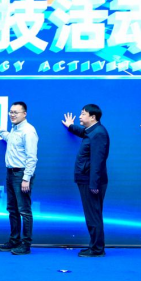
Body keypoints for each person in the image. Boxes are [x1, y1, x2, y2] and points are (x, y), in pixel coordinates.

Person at [0, 101, 38, 255]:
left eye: (16, 112)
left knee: (24, 211)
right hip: (11, 173)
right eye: (11, 112)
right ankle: (14, 240)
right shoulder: (15, 129)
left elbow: (32, 157)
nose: (12, 115)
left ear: (24, 114)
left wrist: (26, 178)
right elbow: (9, 138)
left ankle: (26, 245)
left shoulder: (29, 131)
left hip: (21, 174)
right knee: (12, 210)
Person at [62, 104, 110, 257]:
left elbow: (98, 160)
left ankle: (97, 249)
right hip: (87, 179)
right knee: (92, 215)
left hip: (91, 181)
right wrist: (70, 126)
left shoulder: (99, 133)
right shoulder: (92, 131)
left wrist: (94, 184)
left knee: (93, 216)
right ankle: (95, 247)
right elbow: (83, 133)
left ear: (93, 117)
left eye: (83, 114)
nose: (80, 116)